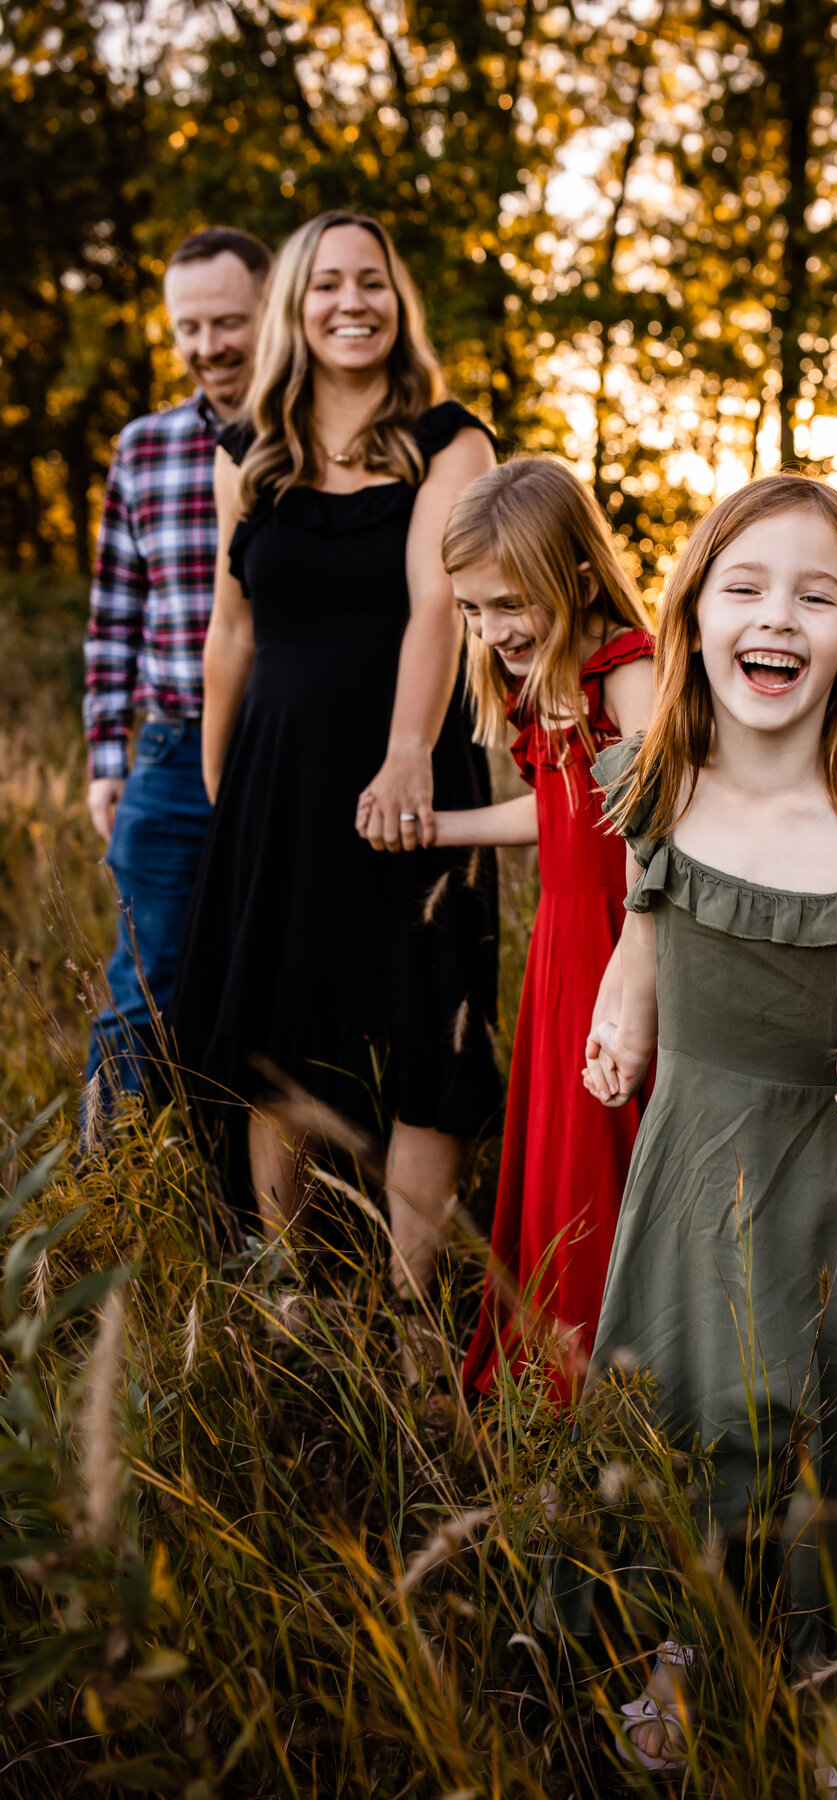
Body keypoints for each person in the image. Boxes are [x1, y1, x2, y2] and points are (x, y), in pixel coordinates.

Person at [579, 474, 837, 1780]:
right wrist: (621, 1024)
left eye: (816, 595)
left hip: (832, 1162)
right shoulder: (667, 784)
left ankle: (835, 1683)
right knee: (698, 1401)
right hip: (694, 1148)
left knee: (823, 1416)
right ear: (695, 619)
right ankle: (679, 1650)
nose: (778, 617)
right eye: (745, 588)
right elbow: (640, 936)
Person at [168, 212, 501, 1289]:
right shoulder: (251, 457)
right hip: (277, 784)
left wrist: (408, 751)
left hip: (411, 777)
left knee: (425, 1032)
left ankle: (409, 1312)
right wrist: (226, 788)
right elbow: (232, 634)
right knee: (277, 1029)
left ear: (396, 302)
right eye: (326, 285)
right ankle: (291, 1295)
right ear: (294, 309)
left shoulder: (450, 444)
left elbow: (435, 607)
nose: (351, 302)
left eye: (372, 282)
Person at [402, 457, 654, 1400]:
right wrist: (440, 828)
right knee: (554, 1148)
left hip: (622, 940)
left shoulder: (627, 672)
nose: (491, 629)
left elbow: (650, 828)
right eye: (471, 610)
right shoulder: (548, 674)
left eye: (510, 603)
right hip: (561, 938)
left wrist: (634, 970)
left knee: (605, 1150)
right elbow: (555, 813)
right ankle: (550, 1364)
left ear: (581, 580)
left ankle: (609, 1372)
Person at [82, 227, 271, 1100]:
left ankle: (256, 1209)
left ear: (272, 307)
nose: (208, 348)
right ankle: (109, 1199)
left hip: (286, 750)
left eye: (227, 323)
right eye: (188, 329)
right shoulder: (143, 448)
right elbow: (114, 614)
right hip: (168, 752)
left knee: (276, 988)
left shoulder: (316, 444)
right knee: (144, 991)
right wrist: (106, 761)